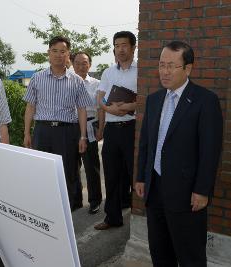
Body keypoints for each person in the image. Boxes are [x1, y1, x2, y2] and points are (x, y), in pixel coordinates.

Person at [135, 41, 223, 266]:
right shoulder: (154, 99)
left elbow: (210, 151)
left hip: (187, 195)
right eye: (161, 65)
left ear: (188, 68)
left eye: (171, 66)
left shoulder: (205, 100)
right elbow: (146, 143)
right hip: (154, 191)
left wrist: (202, 190)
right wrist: (141, 177)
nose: (164, 71)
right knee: (160, 252)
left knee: (190, 256)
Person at [23, 36, 92, 211]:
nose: (58, 55)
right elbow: (30, 107)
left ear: (68, 54)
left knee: (68, 173)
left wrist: (83, 136)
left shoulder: (76, 80)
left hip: (67, 132)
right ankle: (44, 210)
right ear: (48, 53)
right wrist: (27, 133)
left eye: (63, 51)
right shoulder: (37, 78)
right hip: (43, 131)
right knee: (42, 172)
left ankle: (65, 213)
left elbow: (82, 109)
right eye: (54, 51)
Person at [94, 31, 137, 230]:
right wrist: (108, 108)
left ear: (133, 48)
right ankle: (112, 218)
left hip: (132, 129)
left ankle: (140, 220)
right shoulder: (108, 72)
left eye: (124, 45)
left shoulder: (142, 71)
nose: (120, 49)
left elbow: (147, 99)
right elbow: (100, 97)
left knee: (134, 175)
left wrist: (128, 107)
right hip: (112, 130)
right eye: (117, 45)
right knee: (111, 175)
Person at [72, 51, 102, 214]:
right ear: (72, 64)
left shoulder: (97, 84)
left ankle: (95, 200)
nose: (81, 66)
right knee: (72, 166)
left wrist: (100, 129)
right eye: (77, 62)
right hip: (71, 127)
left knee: (91, 166)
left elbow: (100, 108)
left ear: (89, 64)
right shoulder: (67, 82)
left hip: (90, 126)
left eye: (84, 62)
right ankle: (75, 200)